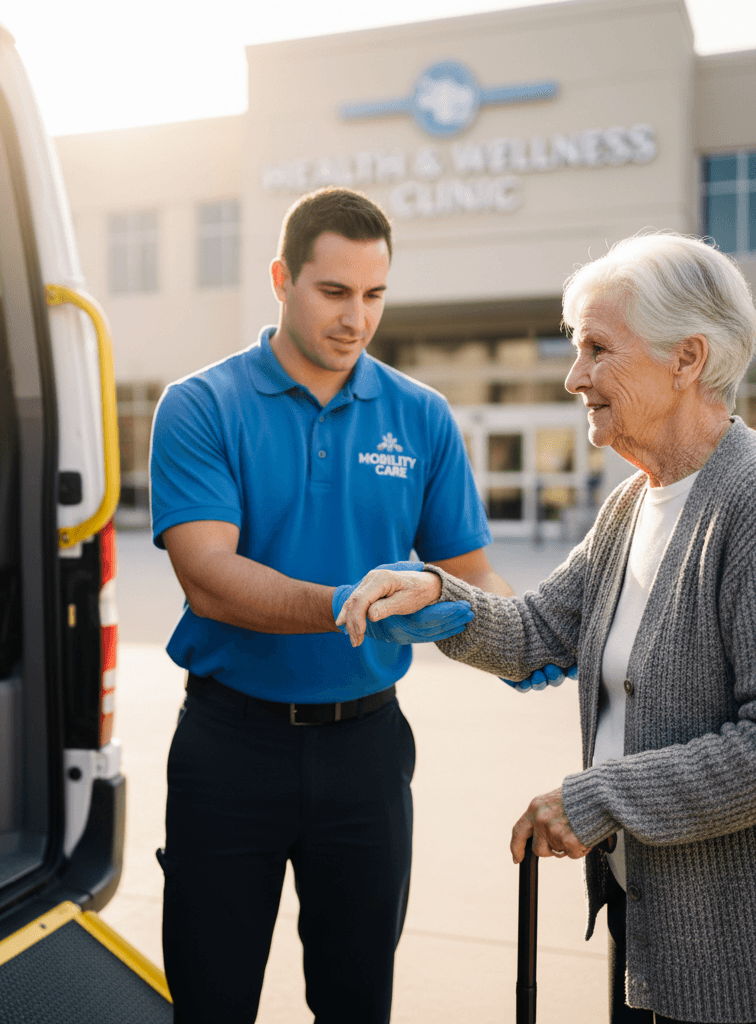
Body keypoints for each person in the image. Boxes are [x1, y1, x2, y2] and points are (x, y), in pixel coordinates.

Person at [148, 187, 561, 1023]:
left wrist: (536, 638)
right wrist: (354, 604)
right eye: (334, 292)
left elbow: (476, 577)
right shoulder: (201, 406)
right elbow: (208, 576)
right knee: (211, 1000)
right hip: (230, 748)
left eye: (374, 294)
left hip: (367, 754)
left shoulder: (420, 416)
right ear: (281, 279)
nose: (356, 318)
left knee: (356, 1002)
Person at [336, 231, 756, 1024]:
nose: (575, 377)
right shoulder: (634, 503)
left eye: (599, 349)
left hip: (729, 954)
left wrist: (601, 798)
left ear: (687, 359)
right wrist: (432, 591)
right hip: (652, 922)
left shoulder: (748, 504)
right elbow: (536, 629)